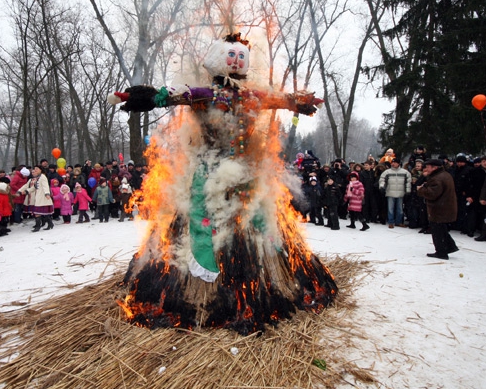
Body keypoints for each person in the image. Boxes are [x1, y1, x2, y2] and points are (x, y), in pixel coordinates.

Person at [107, 33, 336, 332]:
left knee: (259, 220)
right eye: (231, 55)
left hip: (246, 173)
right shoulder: (205, 94)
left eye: (241, 56)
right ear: (218, 58)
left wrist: (299, 102)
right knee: (202, 222)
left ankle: (270, 278)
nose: (236, 60)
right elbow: (174, 95)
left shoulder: (253, 96)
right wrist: (141, 96)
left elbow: (279, 100)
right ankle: (199, 291)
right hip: (211, 172)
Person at [417, 159, 458, 260]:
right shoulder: (444, 175)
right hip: (445, 207)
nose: (425, 169)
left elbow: (432, 194)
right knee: (442, 229)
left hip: (439, 208)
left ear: (435, 167)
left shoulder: (437, 178)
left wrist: (421, 189)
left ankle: (441, 252)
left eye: (428, 167)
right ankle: (450, 247)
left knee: (437, 231)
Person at [16, 165, 54, 232]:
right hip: (38, 197)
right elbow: (34, 187)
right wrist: (25, 191)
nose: (35, 170)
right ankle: (50, 224)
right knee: (43, 212)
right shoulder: (37, 178)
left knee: (38, 213)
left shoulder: (43, 177)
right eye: (35, 169)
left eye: (36, 169)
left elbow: (46, 186)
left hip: (43, 197)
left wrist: (47, 194)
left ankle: (38, 226)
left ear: (40, 170)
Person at [379, 158, 411, 228]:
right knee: (390, 208)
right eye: (392, 163)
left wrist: (408, 191)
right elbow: (382, 180)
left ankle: (398, 221)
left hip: (400, 192)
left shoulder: (405, 172)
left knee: (400, 209)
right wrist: (382, 187)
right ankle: (391, 222)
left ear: (398, 163)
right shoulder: (387, 172)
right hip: (390, 192)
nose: (393, 164)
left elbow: (408, 182)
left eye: (395, 162)